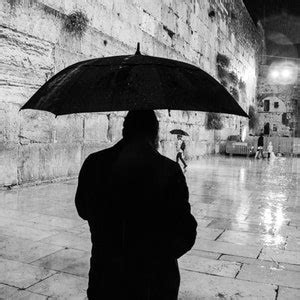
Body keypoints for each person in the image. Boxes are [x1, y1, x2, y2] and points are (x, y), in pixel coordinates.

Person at [75, 110, 197, 300]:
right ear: (154, 133)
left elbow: (83, 209)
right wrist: (157, 255)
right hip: (154, 285)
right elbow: (186, 233)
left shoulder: (94, 163)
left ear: (124, 130)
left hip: (106, 279)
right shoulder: (168, 171)